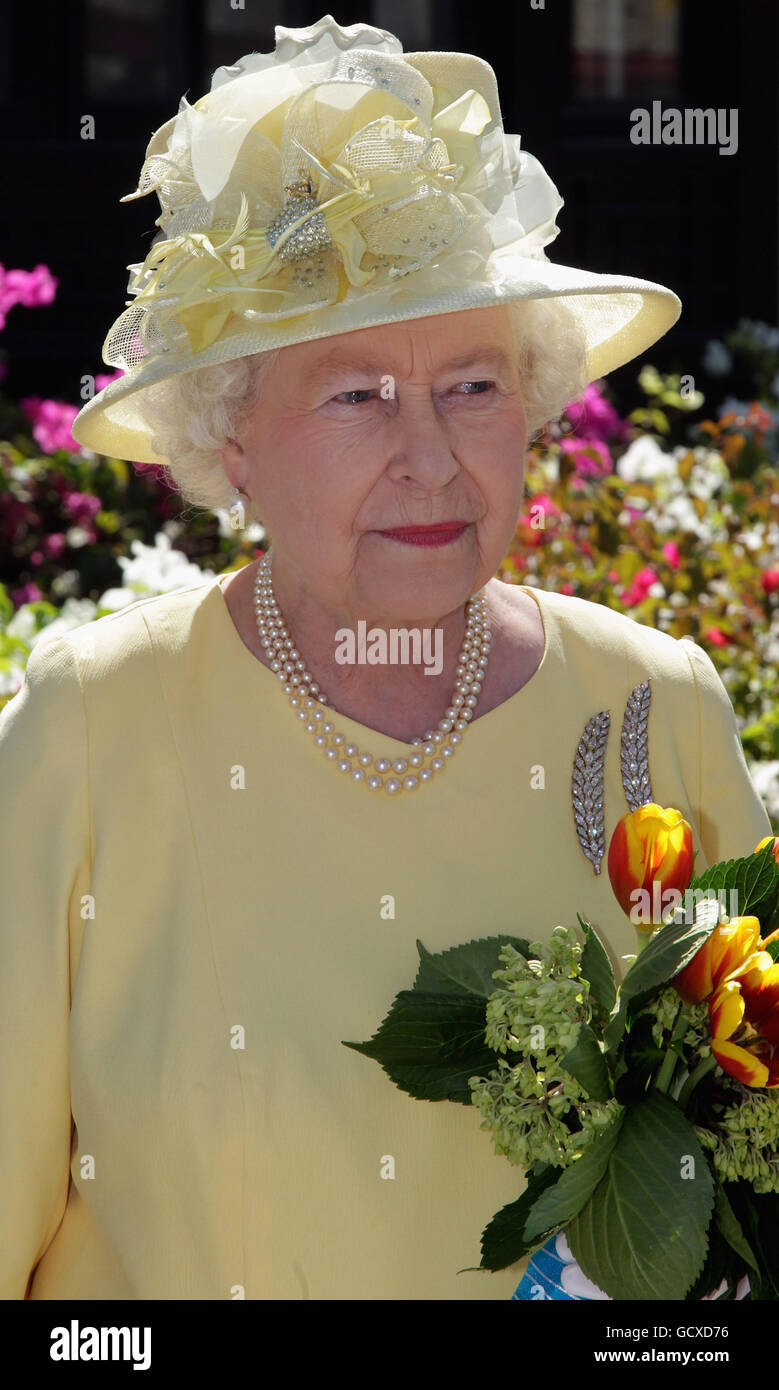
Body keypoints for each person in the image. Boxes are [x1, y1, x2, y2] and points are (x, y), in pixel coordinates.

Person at [1, 14, 771, 1301]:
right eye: (354, 394)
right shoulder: (93, 727)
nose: (428, 456)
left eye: (470, 388)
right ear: (232, 440)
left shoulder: (654, 708)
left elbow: (742, 1187)